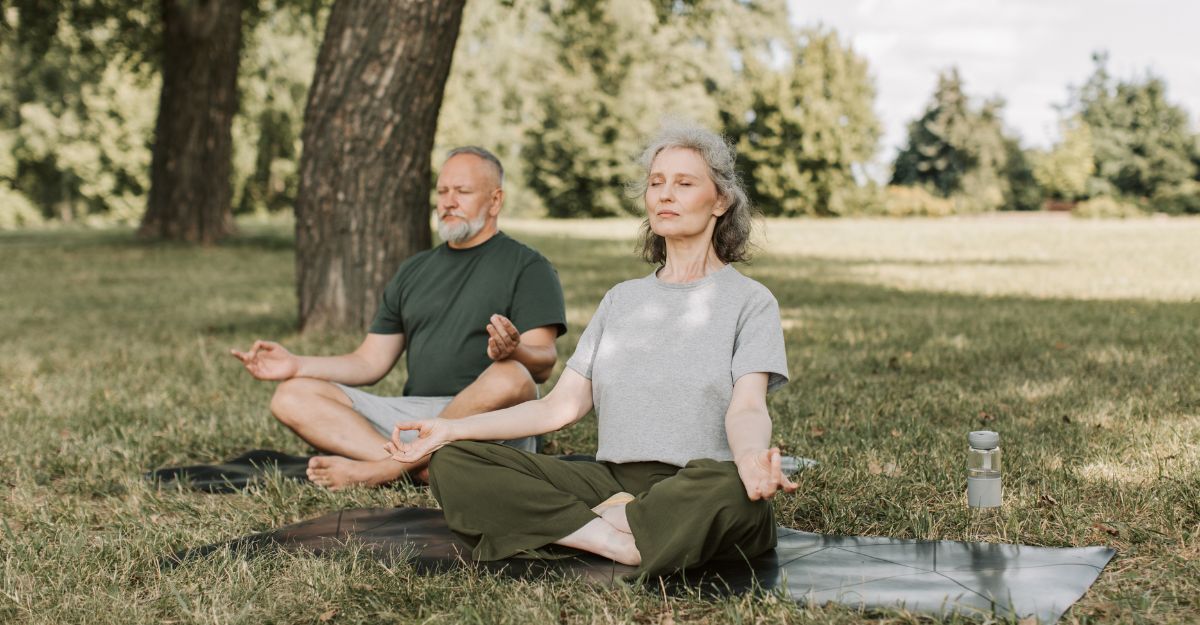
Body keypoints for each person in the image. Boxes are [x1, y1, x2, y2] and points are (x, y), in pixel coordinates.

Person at [387, 122, 796, 577]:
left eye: (684, 183)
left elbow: (747, 408)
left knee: (735, 493)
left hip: (697, 482)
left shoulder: (750, 302)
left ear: (720, 200)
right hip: (612, 483)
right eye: (656, 183)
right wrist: (449, 429)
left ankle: (588, 525)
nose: (665, 194)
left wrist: (750, 461)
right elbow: (558, 408)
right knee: (455, 461)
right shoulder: (621, 299)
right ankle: (613, 539)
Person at [230, 147, 567, 490]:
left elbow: (541, 366)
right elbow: (369, 362)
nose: (448, 202)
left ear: (495, 201)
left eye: (462, 192)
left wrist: (515, 351)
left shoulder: (528, 267)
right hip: (417, 419)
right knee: (291, 395)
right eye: (442, 191)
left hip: (488, 421)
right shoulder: (415, 270)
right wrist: (295, 365)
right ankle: (419, 469)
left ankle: (382, 471)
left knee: (512, 375)